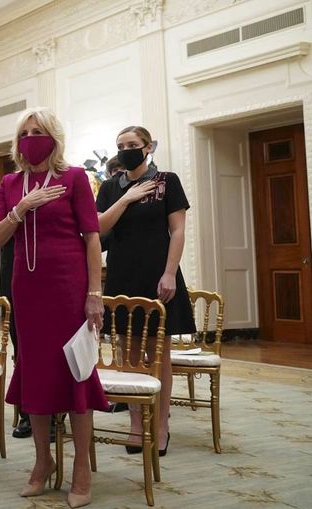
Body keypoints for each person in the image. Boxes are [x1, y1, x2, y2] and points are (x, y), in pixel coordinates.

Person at [0, 107, 107, 508]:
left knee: (76, 373)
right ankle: (43, 462)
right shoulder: (9, 183)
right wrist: (23, 208)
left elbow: (92, 238)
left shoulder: (74, 178)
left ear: (54, 137)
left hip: (69, 288)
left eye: (38, 131)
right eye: (24, 132)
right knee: (36, 376)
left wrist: (95, 293)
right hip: (28, 288)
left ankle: (81, 469)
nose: (31, 138)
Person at [97, 126, 193, 458]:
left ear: (148, 147)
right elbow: (98, 229)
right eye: (121, 145)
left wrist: (169, 273)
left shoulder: (167, 181)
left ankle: (162, 425)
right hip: (123, 277)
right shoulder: (110, 187)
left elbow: (177, 230)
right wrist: (126, 198)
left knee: (159, 355)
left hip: (158, 275)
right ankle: (137, 425)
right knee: (130, 356)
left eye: (133, 145)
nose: (126, 150)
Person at [0, 187, 34, 439]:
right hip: (14, 273)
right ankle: (28, 412)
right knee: (22, 346)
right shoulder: (3, 191)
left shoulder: (64, 184)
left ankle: (58, 409)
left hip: (53, 273)